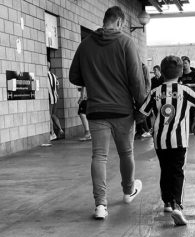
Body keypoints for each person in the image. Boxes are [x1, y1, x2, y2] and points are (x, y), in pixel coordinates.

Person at [69, 6, 146, 220]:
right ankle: (128, 191)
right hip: (122, 111)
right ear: (120, 22)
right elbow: (136, 80)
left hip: (96, 111)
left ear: (105, 21)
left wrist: (93, 79)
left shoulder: (85, 45)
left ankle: (100, 205)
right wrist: (142, 106)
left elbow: (73, 76)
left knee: (99, 156)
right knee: (126, 153)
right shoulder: (125, 42)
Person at [140, 55, 195, 226]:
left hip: (160, 140)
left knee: (165, 169)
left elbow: (142, 114)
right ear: (180, 73)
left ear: (161, 72)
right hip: (179, 140)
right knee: (177, 171)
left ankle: (167, 202)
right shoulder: (185, 90)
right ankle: (177, 204)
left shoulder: (155, 93)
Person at [47, 60, 64, 140]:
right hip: (55, 98)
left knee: (49, 115)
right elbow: (58, 86)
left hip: (50, 98)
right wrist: (56, 93)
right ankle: (60, 129)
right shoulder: (54, 75)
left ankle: (52, 133)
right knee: (53, 114)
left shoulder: (45, 75)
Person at [135, 63, 152, 139]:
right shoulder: (135, 67)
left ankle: (146, 130)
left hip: (142, 94)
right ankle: (140, 130)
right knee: (137, 112)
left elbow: (148, 81)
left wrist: (145, 93)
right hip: (136, 93)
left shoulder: (143, 67)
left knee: (141, 112)